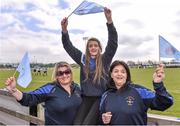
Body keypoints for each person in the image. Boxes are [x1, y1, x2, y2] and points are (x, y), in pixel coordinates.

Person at [61, 7, 118, 124]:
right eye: (90, 46)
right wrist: (64, 30)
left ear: (99, 48)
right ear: (87, 48)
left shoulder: (105, 59)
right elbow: (68, 47)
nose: (93, 47)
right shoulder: (82, 59)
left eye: (95, 45)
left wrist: (109, 21)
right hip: (86, 98)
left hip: (100, 98)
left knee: (87, 124)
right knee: (76, 124)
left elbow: (113, 43)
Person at [5, 62, 82, 125]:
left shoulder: (77, 87)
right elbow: (29, 98)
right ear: (56, 76)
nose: (64, 75)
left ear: (71, 73)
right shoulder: (49, 88)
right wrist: (14, 90)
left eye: (67, 72)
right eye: (60, 73)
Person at [99, 60, 173, 125]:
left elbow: (165, 103)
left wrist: (158, 84)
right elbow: (101, 119)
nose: (119, 74)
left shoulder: (139, 91)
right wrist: (104, 120)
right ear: (111, 75)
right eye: (116, 71)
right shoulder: (106, 95)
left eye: (123, 71)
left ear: (127, 75)